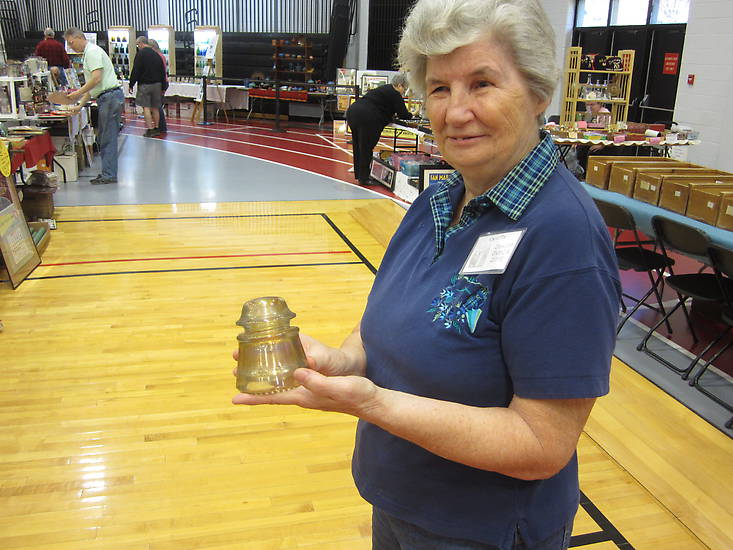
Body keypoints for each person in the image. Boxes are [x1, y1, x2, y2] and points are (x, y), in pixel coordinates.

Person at [232, 1, 621, 549]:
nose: (456, 112)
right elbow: (388, 318)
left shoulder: (563, 238)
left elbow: (540, 444)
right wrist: (346, 362)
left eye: (482, 83)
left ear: (537, 93)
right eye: (439, 88)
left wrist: (371, 403)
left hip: (479, 531)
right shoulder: (437, 201)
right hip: (399, 502)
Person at [64, 27, 124, 185]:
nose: (70, 47)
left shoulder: (92, 52)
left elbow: (96, 79)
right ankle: (108, 172)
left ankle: (109, 174)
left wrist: (77, 93)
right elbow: (93, 87)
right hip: (107, 97)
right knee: (104, 137)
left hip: (109, 98)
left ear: (79, 38)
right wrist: (80, 105)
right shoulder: (89, 53)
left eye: (71, 43)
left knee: (107, 137)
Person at [346, 73, 413, 186]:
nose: (403, 92)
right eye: (404, 88)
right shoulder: (395, 93)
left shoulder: (384, 89)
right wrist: (412, 115)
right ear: (400, 85)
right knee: (366, 147)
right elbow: (403, 114)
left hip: (353, 111)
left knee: (358, 146)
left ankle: (360, 174)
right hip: (367, 116)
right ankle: (364, 178)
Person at [128, 36, 167, 137]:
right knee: (155, 107)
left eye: (138, 45)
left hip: (145, 84)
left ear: (141, 43)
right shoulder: (157, 54)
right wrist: (163, 86)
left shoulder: (140, 54)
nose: (138, 47)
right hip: (157, 84)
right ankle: (157, 128)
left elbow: (136, 70)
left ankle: (150, 129)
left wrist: (131, 84)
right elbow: (162, 71)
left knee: (146, 107)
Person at [576, 101, 613, 174]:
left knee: (584, 151)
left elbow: (608, 133)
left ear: (600, 104)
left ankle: (586, 174)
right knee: (579, 148)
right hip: (590, 139)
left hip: (602, 142)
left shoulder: (605, 113)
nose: (590, 107)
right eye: (587, 105)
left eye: (592, 104)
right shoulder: (589, 113)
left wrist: (602, 144)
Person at [148, 38, 168, 134]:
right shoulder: (161, 55)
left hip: (160, 82)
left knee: (157, 106)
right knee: (157, 105)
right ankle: (161, 126)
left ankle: (161, 126)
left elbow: (160, 72)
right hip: (162, 82)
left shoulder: (158, 56)